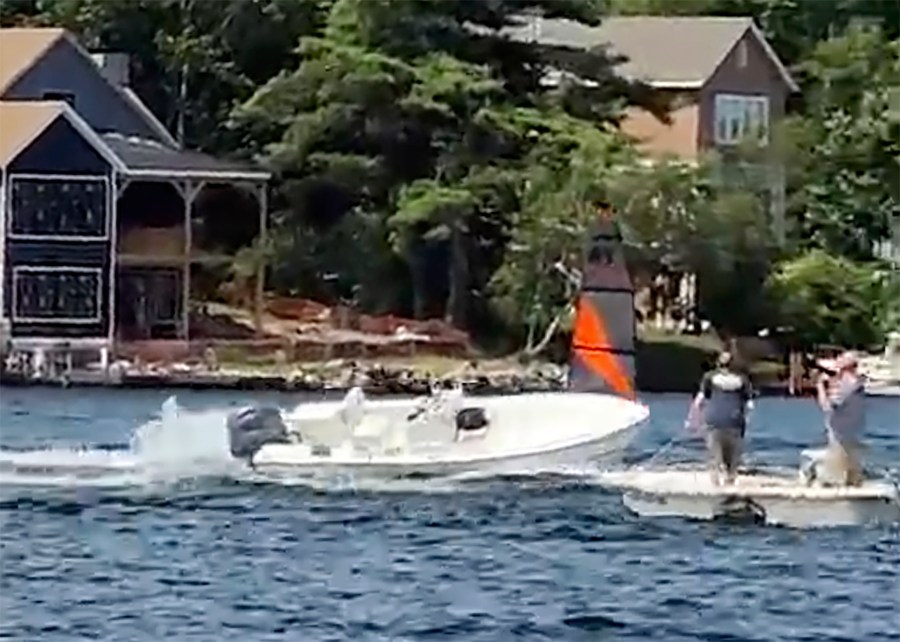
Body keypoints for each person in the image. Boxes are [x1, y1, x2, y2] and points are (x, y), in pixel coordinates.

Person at [686, 351, 754, 485]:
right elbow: (750, 406)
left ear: (718, 363)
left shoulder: (709, 378)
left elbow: (699, 401)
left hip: (714, 421)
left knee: (714, 459)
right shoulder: (743, 380)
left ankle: (715, 488)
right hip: (735, 422)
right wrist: (745, 420)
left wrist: (691, 419)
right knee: (732, 463)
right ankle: (729, 485)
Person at [816, 350, 867, 486]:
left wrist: (820, 386)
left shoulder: (846, 384)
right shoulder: (856, 383)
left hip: (841, 439)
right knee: (852, 474)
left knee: (834, 478)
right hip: (851, 435)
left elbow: (827, 406)